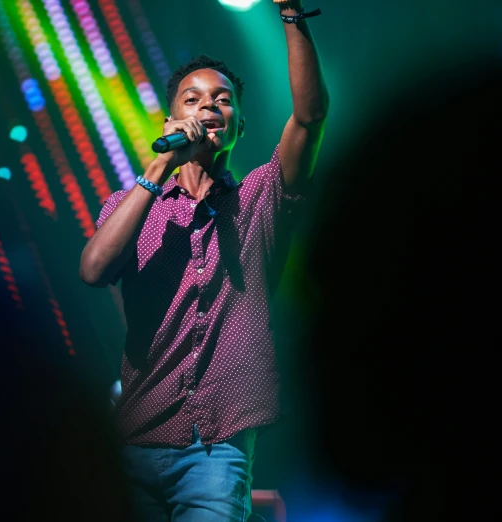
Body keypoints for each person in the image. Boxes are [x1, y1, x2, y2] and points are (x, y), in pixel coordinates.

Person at [79, 1, 329, 520]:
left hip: (217, 449)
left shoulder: (262, 197)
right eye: (193, 100)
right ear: (172, 121)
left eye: (223, 100)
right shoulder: (134, 207)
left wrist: (289, 14)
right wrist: (160, 166)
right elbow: (93, 271)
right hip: (135, 439)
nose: (209, 106)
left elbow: (310, 117)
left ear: (238, 124)